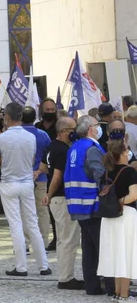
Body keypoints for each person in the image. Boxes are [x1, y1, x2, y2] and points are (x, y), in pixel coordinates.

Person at [0, 103, 50, 277]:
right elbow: (31, 160)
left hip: (9, 182)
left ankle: (21, 266)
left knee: (15, 224)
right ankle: (43, 265)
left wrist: (3, 163)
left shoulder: (1, 138)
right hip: (26, 182)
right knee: (32, 223)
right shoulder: (30, 137)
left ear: (7, 118)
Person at [64, 115, 115, 296]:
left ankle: (92, 286)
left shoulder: (74, 147)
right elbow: (100, 174)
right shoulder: (92, 148)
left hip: (78, 206)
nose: (99, 128)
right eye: (96, 125)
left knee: (89, 249)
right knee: (104, 247)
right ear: (91, 129)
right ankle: (112, 287)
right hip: (92, 205)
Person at [40, 117, 84, 290]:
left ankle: (64, 275)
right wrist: (49, 194)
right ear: (64, 131)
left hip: (56, 200)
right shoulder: (63, 150)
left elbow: (44, 167)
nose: (75, 132)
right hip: (62, 198)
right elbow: (57, 176)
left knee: (62, 239)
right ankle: (66, 278)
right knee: (69, 239)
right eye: (73, 129)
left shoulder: (51, 146)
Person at [97, 137, 137, 301]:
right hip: (125, 215)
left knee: (114, 254)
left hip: (108, 217)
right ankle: (125, 294)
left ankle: (117, 293)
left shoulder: (106, 172)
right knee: (125, 255)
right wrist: (119, 203)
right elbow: (133, 195)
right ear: (123, 153)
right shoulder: (129, 172)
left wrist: (112, 204)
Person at [21, 106, 51, 250]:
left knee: (23, 211)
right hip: (41, 177)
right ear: (35, 118)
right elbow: (48, 156)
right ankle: (43, 242)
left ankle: (24, 244)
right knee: (42, 210)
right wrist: (39, 170)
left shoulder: (15, 135)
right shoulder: (43, 135)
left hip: (21, 178)